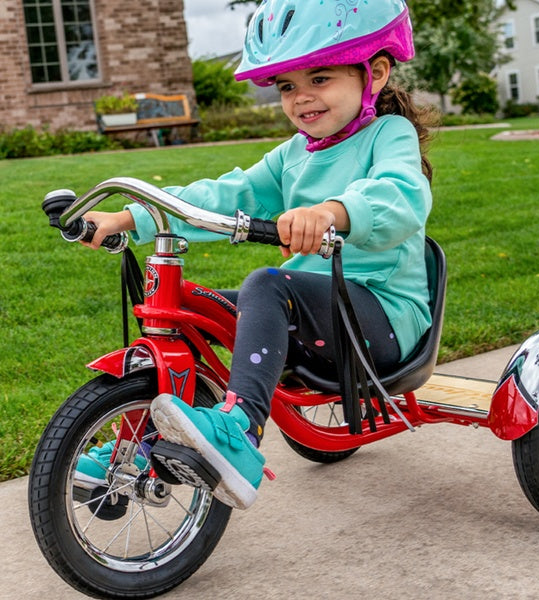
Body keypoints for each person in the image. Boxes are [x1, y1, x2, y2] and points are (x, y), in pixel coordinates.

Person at [81, 0, 435, 510]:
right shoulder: (294, 155)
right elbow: (225, 196)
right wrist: (127, 218)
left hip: (383, 318)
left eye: (319, 78)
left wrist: (333, 211)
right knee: (189, 308)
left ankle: (239, 433)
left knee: (267, 283)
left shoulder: (388, 135)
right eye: (288, 86)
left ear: (374, 73)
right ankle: (141, 445)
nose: (301, 98)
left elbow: (400, 196)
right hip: (315, 312)